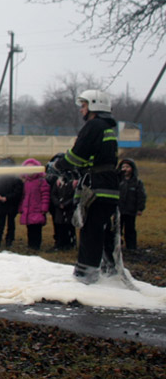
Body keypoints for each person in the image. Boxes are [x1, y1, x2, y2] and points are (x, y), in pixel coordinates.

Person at [53, 89, 119, 283]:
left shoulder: (94, 126)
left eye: (83, 106)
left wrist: (58, 165)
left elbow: (77, 155)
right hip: (108, 186)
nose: (81, 110)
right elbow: (91, 159)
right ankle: (109, 270)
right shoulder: (106, 128)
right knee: (102, 229)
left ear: (94, 105)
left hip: (98, 187)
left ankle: (86, 274)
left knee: (91, 229)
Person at [0, 156, 23, 248]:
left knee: (10, 224)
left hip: (11, 205)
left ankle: (9, 241)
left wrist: (7, 198)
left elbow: (17, 192)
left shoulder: (16, 180)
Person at [18, 158, 50, 250]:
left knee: (37, 229)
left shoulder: (41, 181)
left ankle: (36, 246)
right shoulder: (26, 183)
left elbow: (45, 195)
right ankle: (31, 245)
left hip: (37, 210)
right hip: (28, 211)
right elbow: (23, 196)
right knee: (30, 229)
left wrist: (44, 208)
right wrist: (21, 208)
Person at [117, 158, 146, 250]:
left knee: (130, 229)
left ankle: (131, 247)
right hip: (119, 210)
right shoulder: (117, 181)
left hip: (130, 210)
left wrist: (140, 209)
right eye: (123, 167)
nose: (125, 169)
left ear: (132, 169)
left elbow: (141, 196)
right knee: (117, 229)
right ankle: (117, 245)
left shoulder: (137, 182)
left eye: (127, 167)